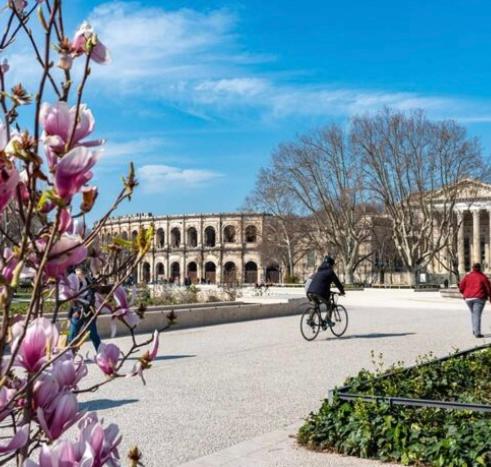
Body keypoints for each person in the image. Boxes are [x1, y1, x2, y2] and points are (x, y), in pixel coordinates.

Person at [67, 266, 101, 350]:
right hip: (76, 315)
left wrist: (79, 307)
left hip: (88, 315)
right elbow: (71, 303)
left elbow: (90, 301)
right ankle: (70, 354)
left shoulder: (89, 286)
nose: (78, 277)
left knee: (93, 336)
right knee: (71, 336)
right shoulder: (74, 286)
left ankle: (101, 353)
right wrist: (69, 317)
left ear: (84, 275)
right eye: (76, 275)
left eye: (80, 275)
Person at [307, 256, 346, 325]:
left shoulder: (319, 271)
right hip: (319, 292)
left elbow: (320, 283)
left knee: (316, 305)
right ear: (331, 264)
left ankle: (310, 319)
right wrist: (342, 291)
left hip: (310, 291)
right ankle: (328, 320)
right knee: (329, 305)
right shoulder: (330, 272)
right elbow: (337, 283)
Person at [458, 263, 491, 338]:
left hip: (468, 299)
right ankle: (477, 333)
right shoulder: (482, 276)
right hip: (479, 298)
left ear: (472, 268)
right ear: (480, 268)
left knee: (473, 314)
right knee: (476, 315)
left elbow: (461, 286)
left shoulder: (467, 276)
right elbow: (488, 288)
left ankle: (474, 330)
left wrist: (464, 294)